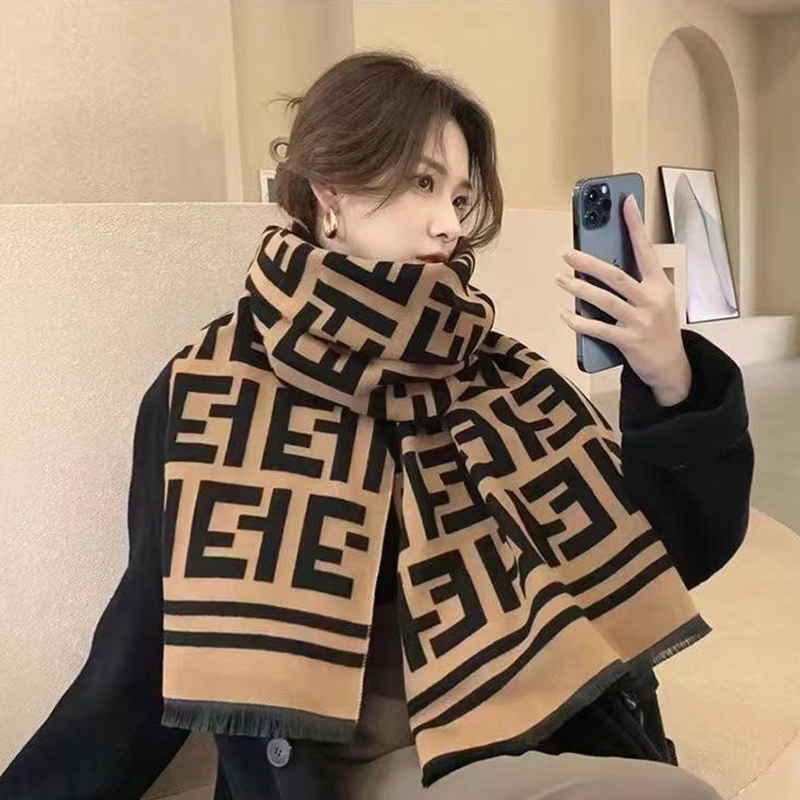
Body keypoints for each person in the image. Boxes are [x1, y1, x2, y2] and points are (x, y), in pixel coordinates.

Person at [0, 50, 752, 800]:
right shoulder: (212, 389)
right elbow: (145, 650)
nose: (447, 225)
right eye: (422, 183)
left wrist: (668, 376)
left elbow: (673, 551)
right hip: (342, 772)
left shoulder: (497, 375)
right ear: (330, 192)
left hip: (523, 725)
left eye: (459, 197)